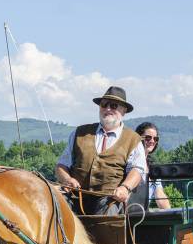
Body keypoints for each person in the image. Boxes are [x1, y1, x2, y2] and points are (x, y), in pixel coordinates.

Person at [55, 86, 146, 215]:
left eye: (113, 106)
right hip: (75, 196)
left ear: (124, 111)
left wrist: (125, 188)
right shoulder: (79, 133)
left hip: (109, 198)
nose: (108, 109)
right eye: (104, 105)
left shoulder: (133, 139)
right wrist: (66, 179)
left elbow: (137, 170)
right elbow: (61, 165)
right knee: (53, 207)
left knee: (105, 217)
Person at [135, 122, 171, 209]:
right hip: (126, 214)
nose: (152, 141)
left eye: (155, 139)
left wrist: (172, 215)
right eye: (148, 138)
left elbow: (160, 197)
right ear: (137, 138)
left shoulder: (153, 168)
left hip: (143, 215)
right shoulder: (128, 162)